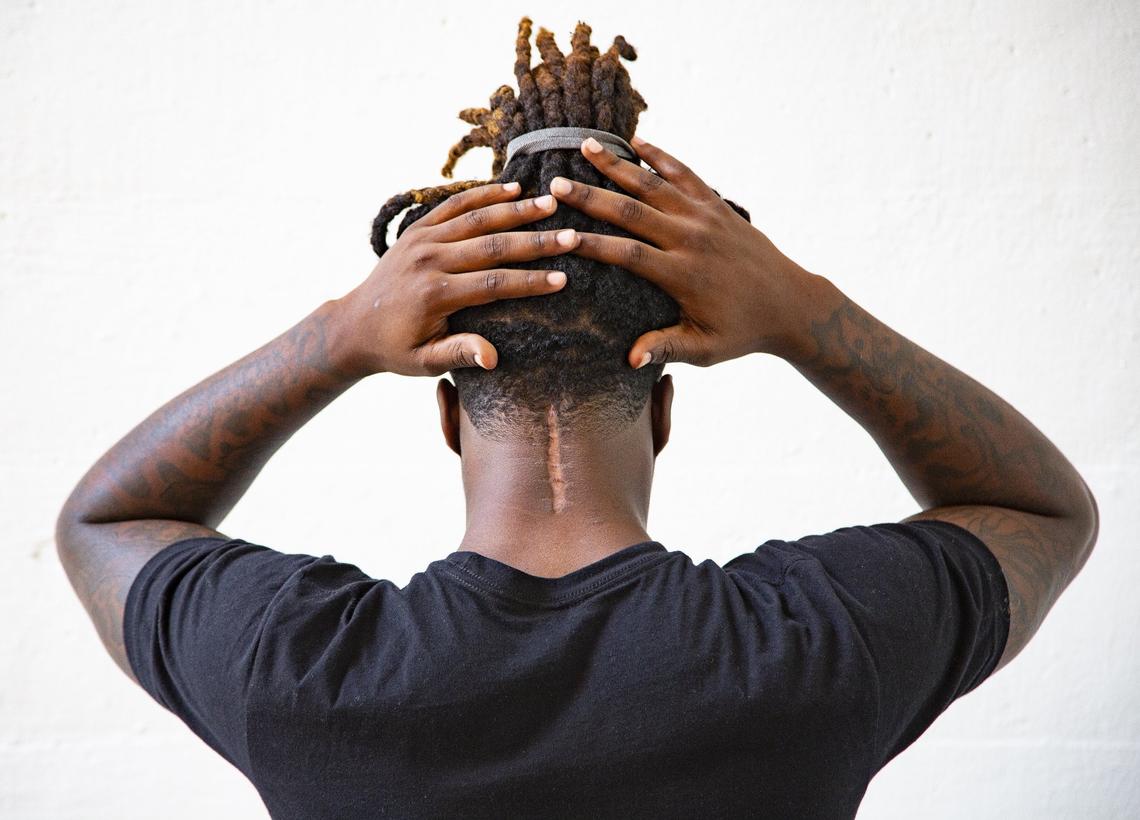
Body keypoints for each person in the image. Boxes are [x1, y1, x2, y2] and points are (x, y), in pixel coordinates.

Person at [56, 17, 1098, 819]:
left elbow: (103, 520)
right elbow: (1040, 507)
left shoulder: (302, 671)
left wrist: (337, 332)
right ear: (667, 408)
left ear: (449, 417)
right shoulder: (815, 647)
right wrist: (802, 310)